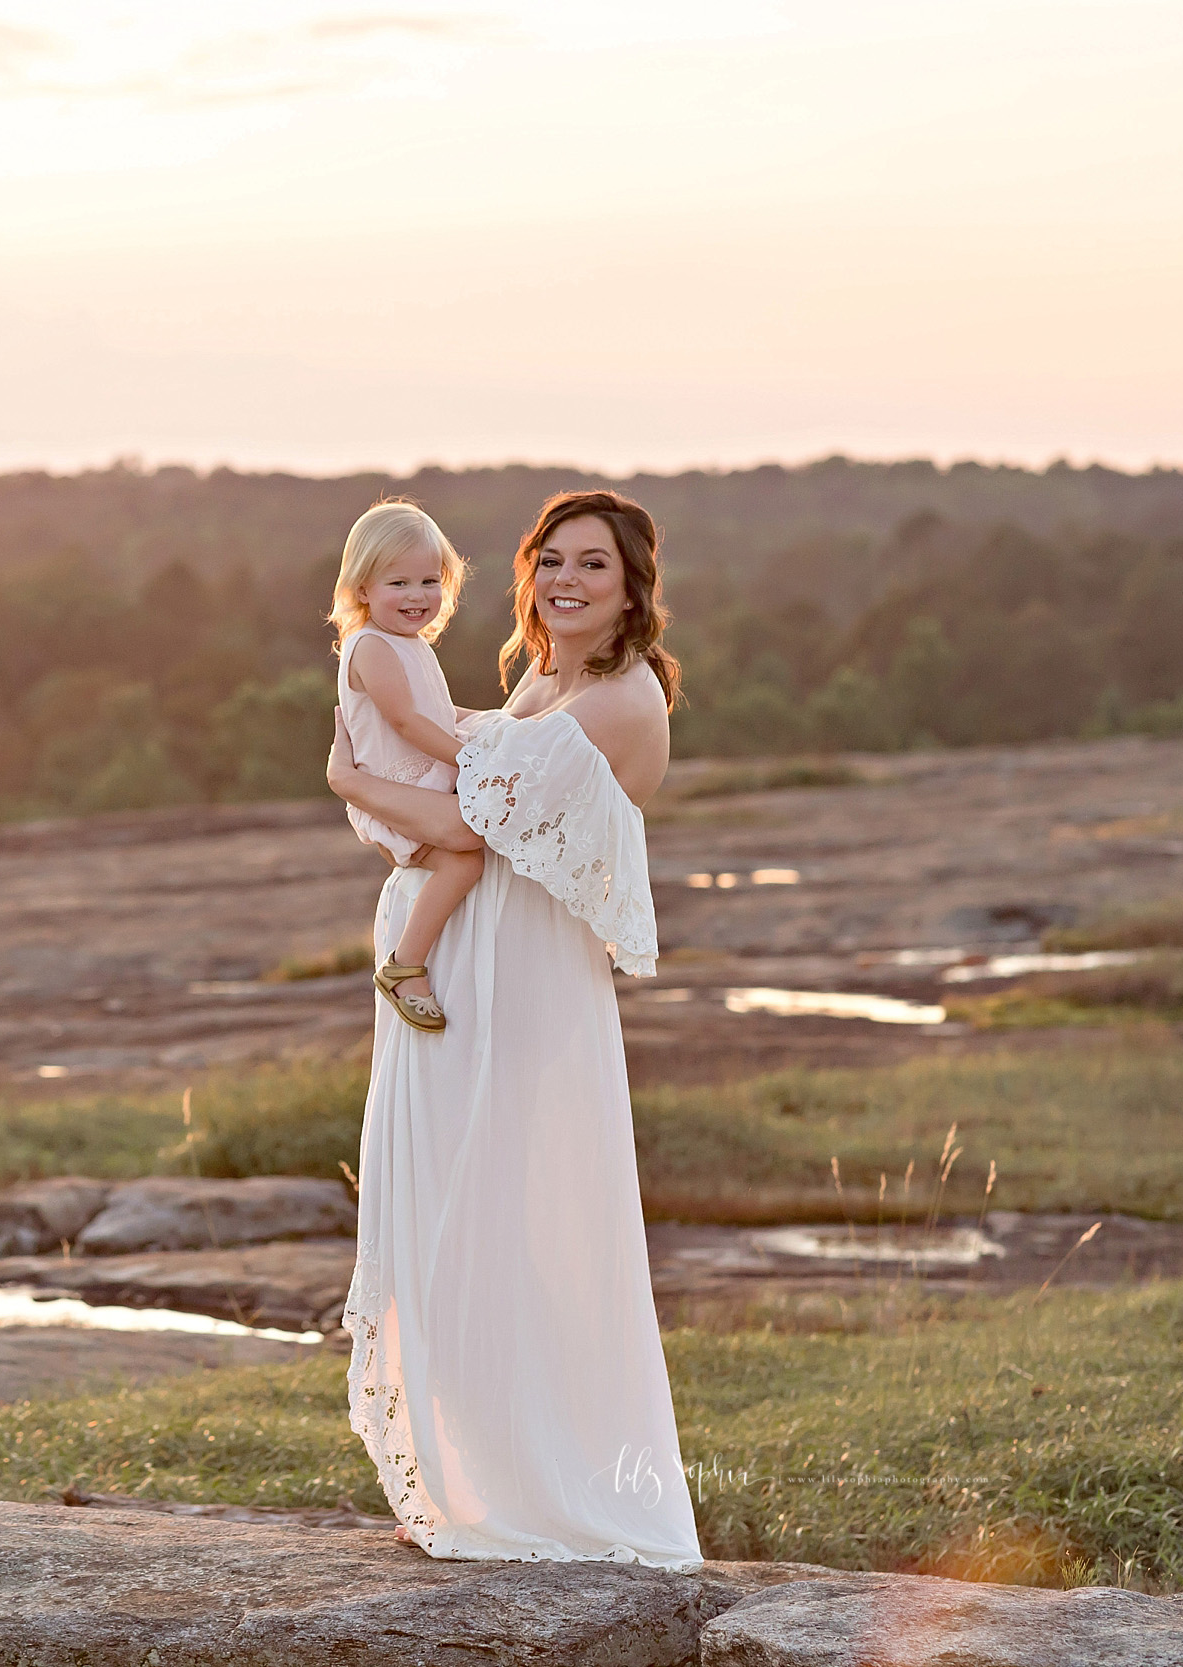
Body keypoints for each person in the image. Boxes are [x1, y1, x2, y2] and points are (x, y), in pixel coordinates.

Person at [327, 488, 702, 1570]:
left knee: (501, 1206)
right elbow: (466, 794)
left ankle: (539, 1490)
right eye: (550, 561)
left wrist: (347, 776)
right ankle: (470, 1476)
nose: (566, 581)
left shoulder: (620, 698)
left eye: (593, 564)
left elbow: (460, 822)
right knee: (455, 1202)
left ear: (632, 585)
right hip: (471, 964)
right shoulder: (544, 677)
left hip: (523, 981)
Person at [328, 501, 486, 1034]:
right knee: (465, 863)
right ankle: (405, 965)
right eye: (399, 582)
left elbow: (435, 711)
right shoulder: (370, 647)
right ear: (363, 588)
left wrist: (490, 720)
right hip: (400, 792)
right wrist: (471, 760)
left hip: (423, 782)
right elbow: (406, 722)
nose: (417, 596)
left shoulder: (407, 643)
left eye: (429, 580)